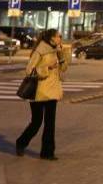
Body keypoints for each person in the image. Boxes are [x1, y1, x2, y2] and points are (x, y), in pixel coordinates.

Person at [16, 28, 68, 160]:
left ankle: (47, 153)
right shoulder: (40, 50)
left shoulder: (56, 50)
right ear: (51, 38)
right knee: (36, 122)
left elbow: (63, 68)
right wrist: (47, 68)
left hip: (52, 91)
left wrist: (62, 55)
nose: (60, 38)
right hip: (38, 92)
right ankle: (21, 142)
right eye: (58, 36)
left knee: (50, 124)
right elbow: (29, 70)